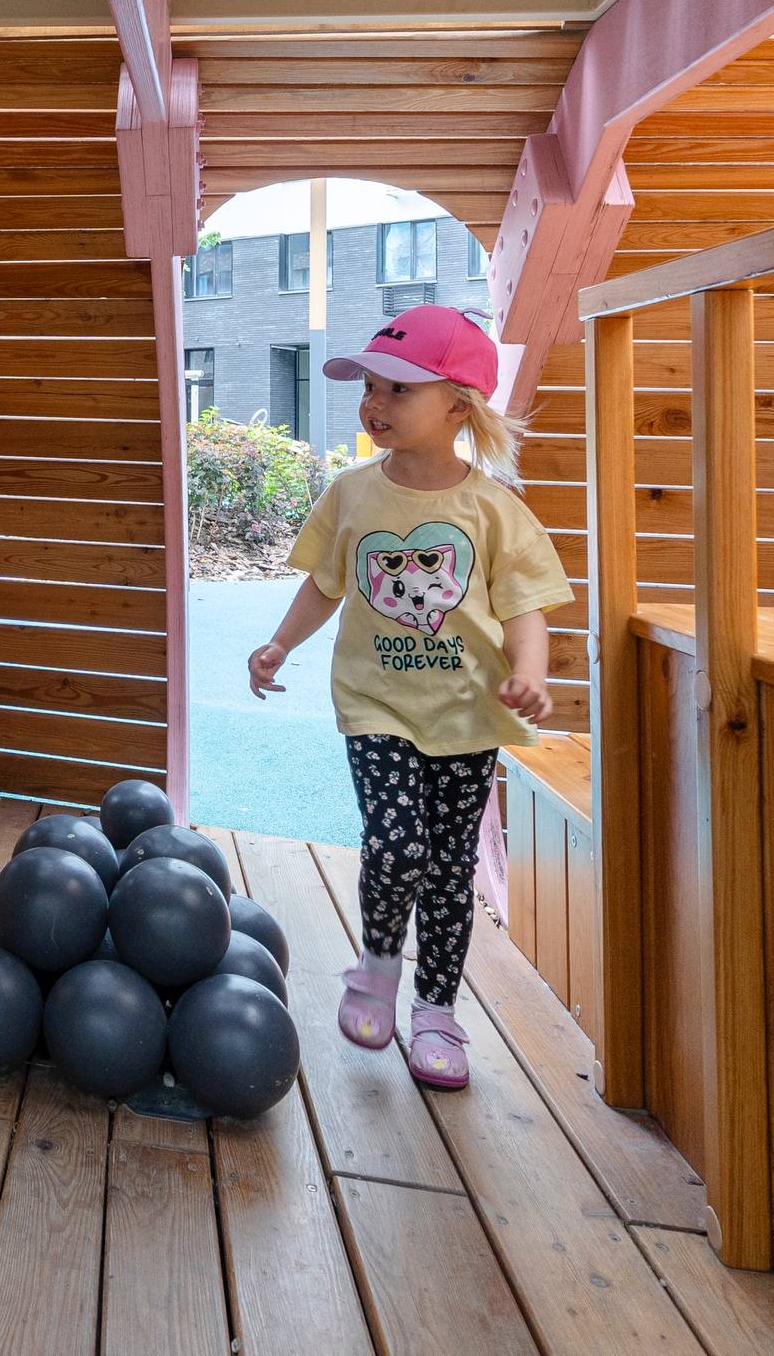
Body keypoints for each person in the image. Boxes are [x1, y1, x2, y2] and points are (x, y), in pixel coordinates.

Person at [246, 305, 569, 1090]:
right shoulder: (352, 495)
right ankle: (378, 967)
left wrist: (530, 672)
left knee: (450, 872)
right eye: (370, 387)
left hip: (468, 714)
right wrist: (280, 644)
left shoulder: (493, 508)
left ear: (459, 406)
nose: (374, 403)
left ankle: (436, 1014)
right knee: (397, 847)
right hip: (376, 704)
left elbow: (526, 607)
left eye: (398, 389)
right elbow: (325, 584)